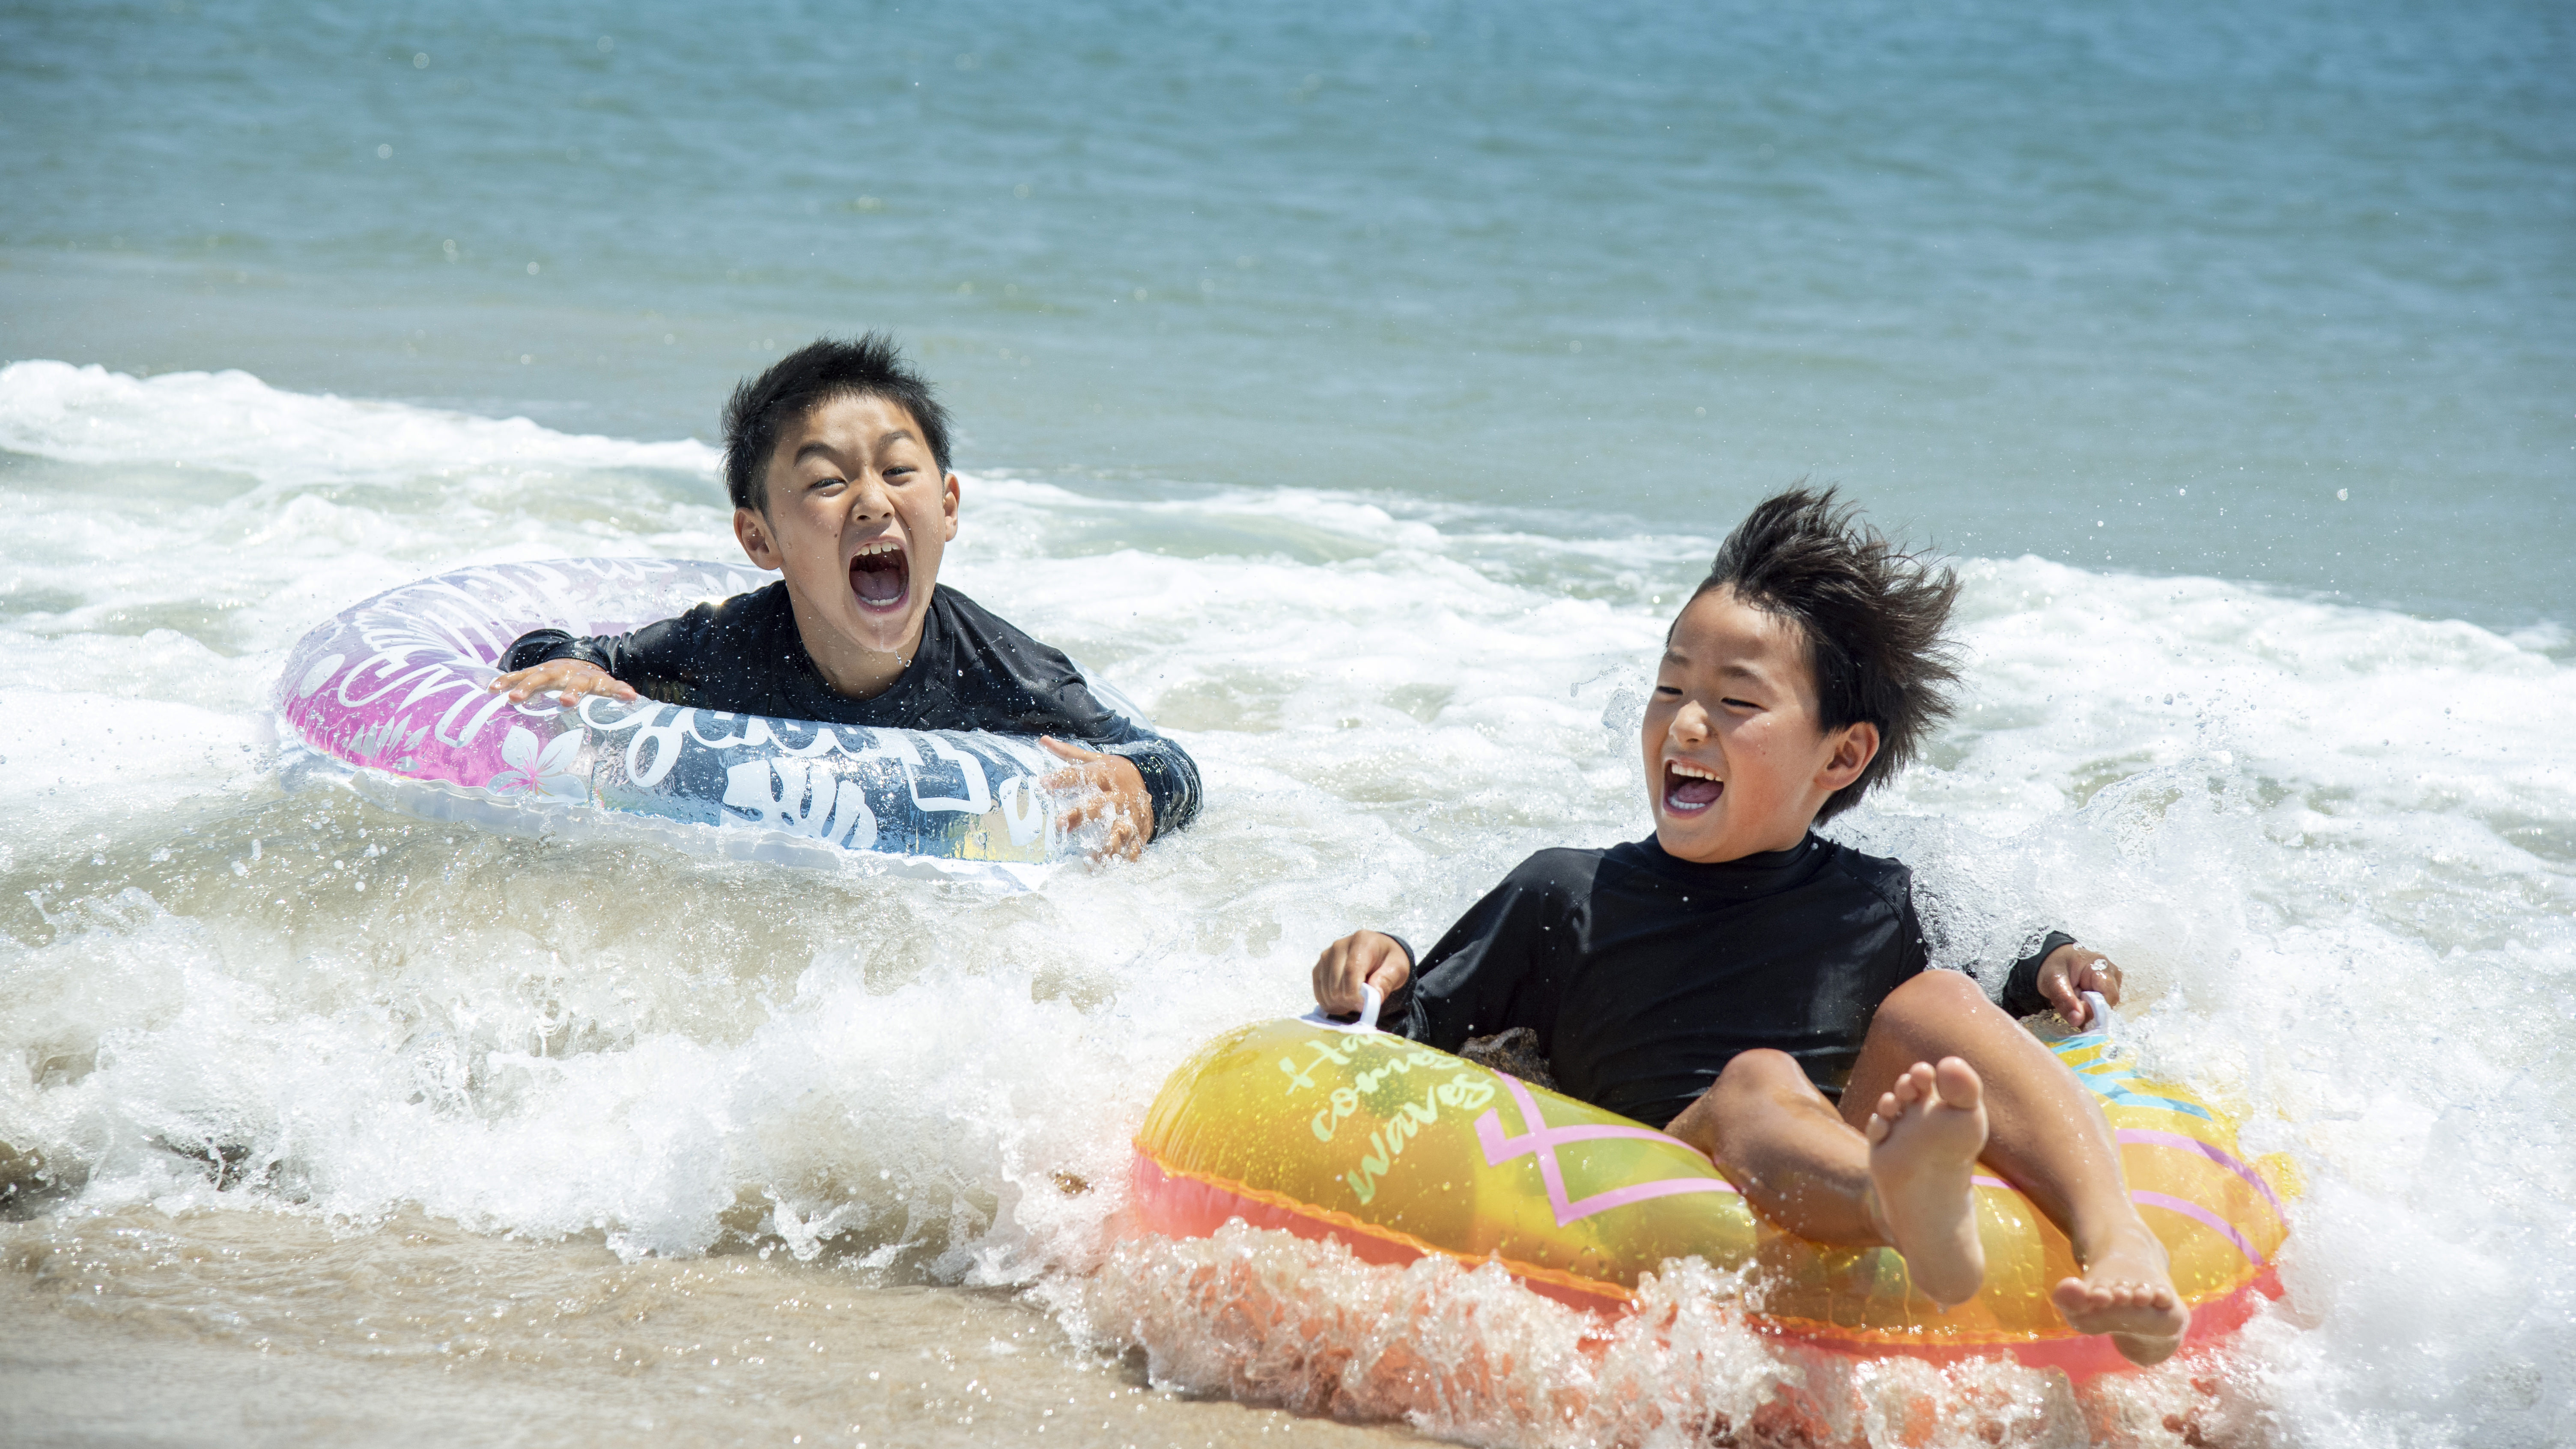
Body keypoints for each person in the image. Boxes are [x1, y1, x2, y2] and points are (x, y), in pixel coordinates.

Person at [1307, 488, 2190, 1366]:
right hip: (1662, 1174)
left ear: (1841, 755)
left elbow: (2002, 987)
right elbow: (1404, 1038)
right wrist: (1377, 966)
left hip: (1828, 1147)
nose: (1684, 722)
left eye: (1735, 702)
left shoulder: (1878, 903)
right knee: (1755, 1082)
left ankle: (2114, 1235)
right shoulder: (1563, 895)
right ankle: (1897, 1201)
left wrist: (2056, 966)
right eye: (1668, 687)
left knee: (1939, 999)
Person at [488, 334, 1198, 858]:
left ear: (948, 506)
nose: (871, 502)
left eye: (898, 470)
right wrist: (574, 669)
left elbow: (1166, 762)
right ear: (760, 538)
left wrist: (1136, 784)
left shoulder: (996, 664)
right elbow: (557, 656)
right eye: (828, 482)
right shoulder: (733, 642)